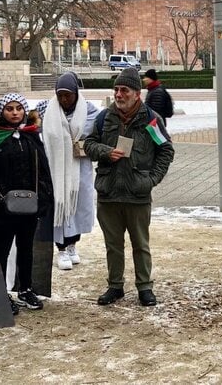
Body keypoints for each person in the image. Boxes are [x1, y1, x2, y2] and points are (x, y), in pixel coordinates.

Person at [84, 67, 175, 307]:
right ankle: (115, 286)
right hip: (109, 192)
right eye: (116, 89)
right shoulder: (105, 118)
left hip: (138, 193)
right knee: (112, 245)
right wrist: (105, 152)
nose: (119, 94)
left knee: (140, 245)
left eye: (124, 90)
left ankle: (144, 287)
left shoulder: (150, 119)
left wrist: (151, 179)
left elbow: (165, 150)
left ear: (137, 93)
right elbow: (89, 144)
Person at [0, 93, 54, 313]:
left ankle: (26, 288)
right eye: (9, 108)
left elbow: (43, 170)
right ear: (2, 111)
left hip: (29, 207)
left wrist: (44, 197)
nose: (15, 112)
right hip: (3, 209)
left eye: (19, 108)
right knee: (1, 250)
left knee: (26, 248)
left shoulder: (31, 136)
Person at [36, 72, 100, 271]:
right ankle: (61, 249)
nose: (64, 99)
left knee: (77, 208)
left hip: (79, 169)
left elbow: (95, 138)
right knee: (59, 206)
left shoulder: (90, 111)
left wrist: (81, 146)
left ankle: (72, 245)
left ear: (76, 93)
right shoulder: (47, 112)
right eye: (60, 95)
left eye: (68, 95)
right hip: (55, 170)